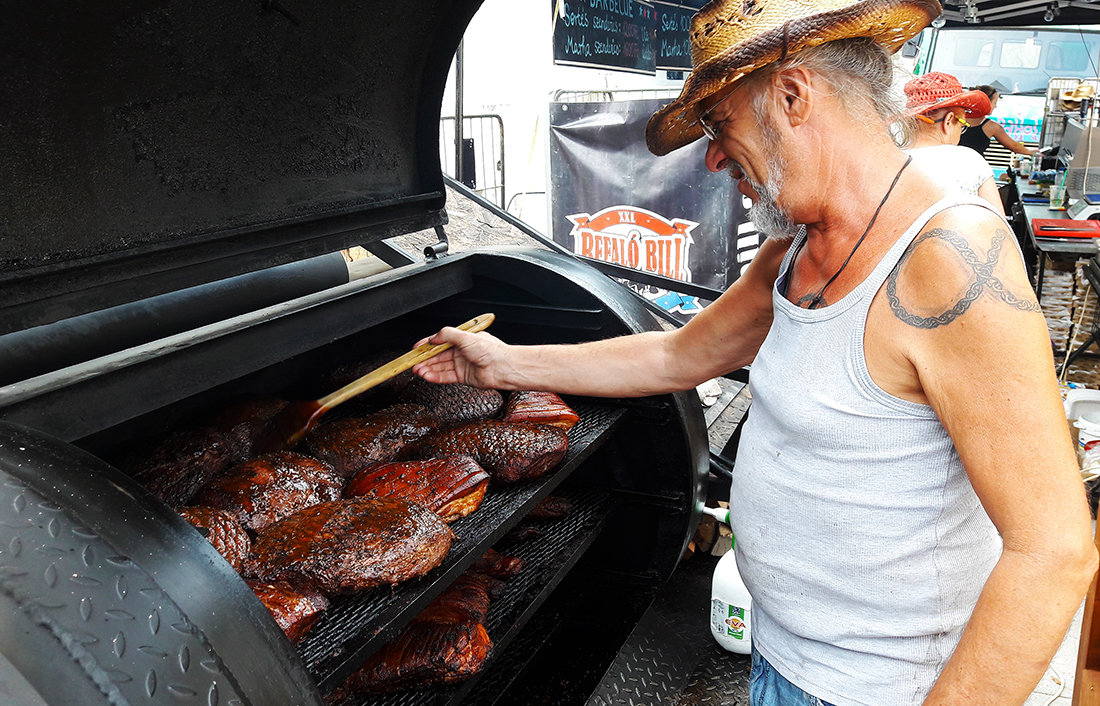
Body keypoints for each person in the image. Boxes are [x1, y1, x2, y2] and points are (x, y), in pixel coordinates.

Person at [414, 0, 1098, 704]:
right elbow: (676, 358)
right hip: (780, 660)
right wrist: (500, 363)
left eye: (721, 124)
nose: (712, 156)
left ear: (794, 95)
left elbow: (1052, 552)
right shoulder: (793, 249)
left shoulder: (948, 260)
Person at [901, 72, 1006, 216]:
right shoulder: (970, 160)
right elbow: (999, 224)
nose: (961, 131)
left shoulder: (888, 158)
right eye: (962, 125)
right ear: (948, 121)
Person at [959, 84, 1037, 157]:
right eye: (995, 102)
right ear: (986, 102)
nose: (995, 106)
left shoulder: (955, 119)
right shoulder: (992, 126)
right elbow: (1014, 146)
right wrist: (1034, 152)